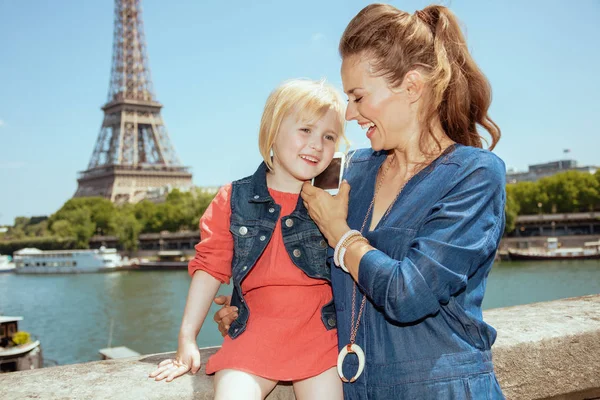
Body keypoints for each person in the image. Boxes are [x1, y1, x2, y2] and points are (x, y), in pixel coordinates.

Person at [215, 4, 506, 399]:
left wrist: (341, 234)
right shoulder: (348, 170)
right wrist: (249, 306)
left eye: (357, 96)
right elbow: (273, 215)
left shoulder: (475, 174)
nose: (349, 113)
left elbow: (408, 294)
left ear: (413, 87)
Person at [149, 78, 347, 400]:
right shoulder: (233, 198)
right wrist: (187, 337)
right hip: (255, 334)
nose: (317, 144)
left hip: (320, 336)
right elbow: (211, 266)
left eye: (329, 136)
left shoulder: (334, 201)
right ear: (271, 131)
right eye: (305, 130)